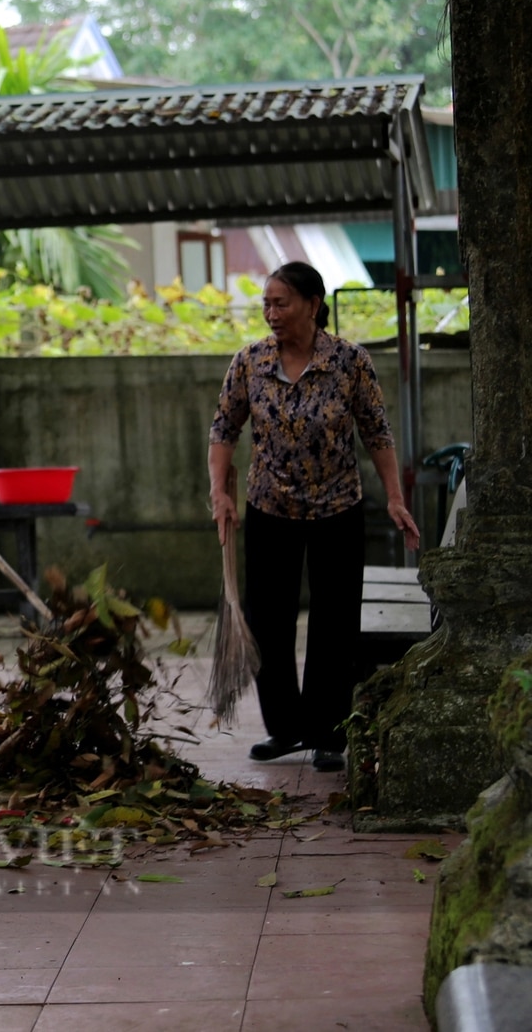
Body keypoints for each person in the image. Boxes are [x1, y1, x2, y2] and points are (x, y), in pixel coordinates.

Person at [208, 261, 419, 773]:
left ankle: (328, 733)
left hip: (337, 507)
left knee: (335, 620)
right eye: (266, 303)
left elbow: (377, 433)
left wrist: (394, 497)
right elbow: (224, 428)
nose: (271, 313)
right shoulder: (250, 361)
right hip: (269, 507)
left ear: (313, 303)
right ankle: (285, 728)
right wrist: (219, 491)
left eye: (281, 303)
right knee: (268, 620)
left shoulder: (349, 361)